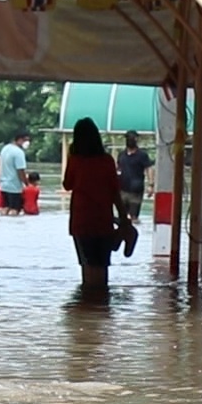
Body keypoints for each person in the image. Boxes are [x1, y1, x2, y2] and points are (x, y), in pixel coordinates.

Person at [62, 118, 131, 291]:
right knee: (102, 266)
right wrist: (124, 218)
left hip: (81, 220)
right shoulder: (107, 161)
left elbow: (67, 184)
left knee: (88, 267)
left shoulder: (76, 160)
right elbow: (115, 192)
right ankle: (102, 308)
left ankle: (88, 309)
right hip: (103, 220)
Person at [116, 130, 154, 223]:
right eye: (128, 138)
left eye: (132, 138)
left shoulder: (142, 155)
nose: (130, 140)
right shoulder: (121, 155)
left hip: (136, 191)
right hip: (122, 190)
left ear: (136, 140)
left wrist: (151, 185)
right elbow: (117, 169)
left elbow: (149, 169)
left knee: (134, 217)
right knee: (122, 217)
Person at [0, 130, 31, 216]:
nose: (27, 143)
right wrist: (27, 184)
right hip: (14, 188)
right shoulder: (19, 153)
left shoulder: (5, 149)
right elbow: (21, 171)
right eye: (25, 140)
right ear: (19, 139)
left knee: (5, 209)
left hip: (3, 186)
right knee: (14, 211)